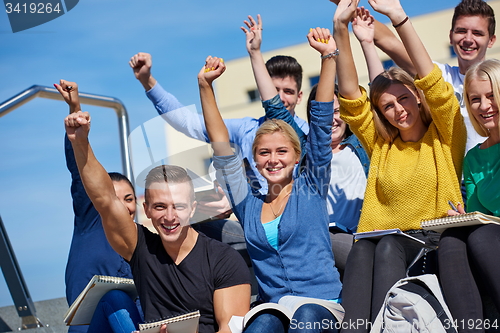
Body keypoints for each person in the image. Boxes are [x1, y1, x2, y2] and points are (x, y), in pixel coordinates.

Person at [61, 80, 251, 333]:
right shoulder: (141, 248)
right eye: (160, 207)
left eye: (179, 207)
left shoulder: (223, 259)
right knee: (113, 300)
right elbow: (104, 199)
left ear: (193, 208)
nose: (170, 217)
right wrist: (80, 142)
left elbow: (230, 327)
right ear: (146, 209)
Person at [198, 24, 342, 333]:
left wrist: (329, 57)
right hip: (274, 307)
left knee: (305, 320)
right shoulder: (248, 203)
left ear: (296, 155)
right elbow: (221, 144)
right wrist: (205, 86)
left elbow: (320, 122)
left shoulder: (311, 184)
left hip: (320, 305)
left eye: (281, 151)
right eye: (263, 152)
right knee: (261, 325)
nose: (272, 159)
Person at [333, 0, 466, 330]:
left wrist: (398, 18)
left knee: (387, 245)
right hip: (379, 243)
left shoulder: (445, 134)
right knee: (363, 249)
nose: (398, 110)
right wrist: (343, 33)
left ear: (418, 96)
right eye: (388, 106)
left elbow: (434, 81)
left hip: (428, 245)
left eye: (404, 98)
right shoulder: (382, 143)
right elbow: (351, 97)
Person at [129, 50, 308, 195]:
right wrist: (147, 81)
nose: (281, 98)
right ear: (263, 91)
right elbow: (188, 122)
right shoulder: (246, 129)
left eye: (288, 91)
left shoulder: (310, 133)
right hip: (257, 221)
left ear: (299, 97)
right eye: (274, 91)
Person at [55, 80, 141, 333]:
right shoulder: (90, 220)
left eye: (129, 199)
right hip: (88, 325)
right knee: (114, 299)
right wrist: (75, 107)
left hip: (128, 323)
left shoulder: (141, 241)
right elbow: (78, 167)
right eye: (115, 199)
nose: (124, 206)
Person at [438, 58, 500, 332]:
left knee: (481, 235)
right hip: (492, 237)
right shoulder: (474, 158)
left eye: (492, 96)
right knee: (452, 237)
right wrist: (463, 216)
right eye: (475, 99)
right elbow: (479, 215)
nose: (484, 106)